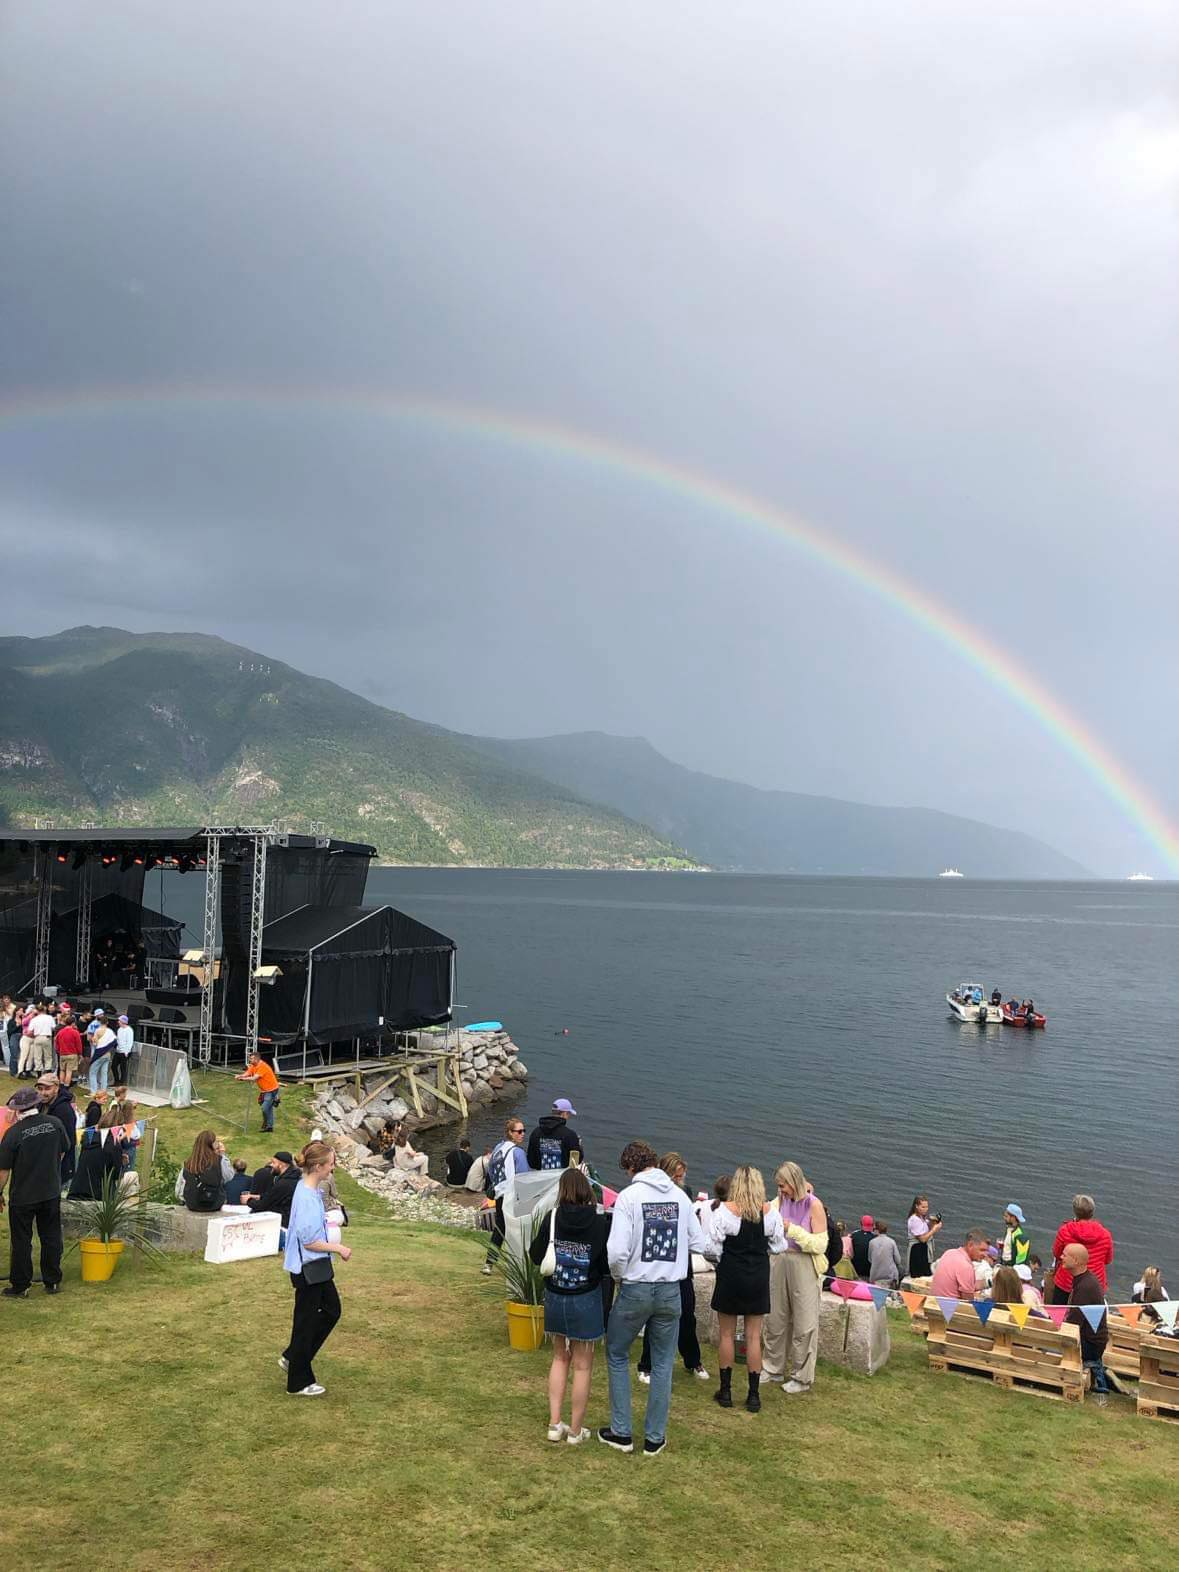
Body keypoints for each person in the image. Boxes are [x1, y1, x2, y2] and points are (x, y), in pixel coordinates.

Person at [599, 1140, 709, 1455]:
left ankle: (621, 1431)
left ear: (631, 1168)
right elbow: (697, 1241)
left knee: (617, 1353)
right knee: (663, 1362)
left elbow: (617, 1250)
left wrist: (619, 1274)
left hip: (635, 1285)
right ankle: (654, 1438)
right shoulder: (680, 1197)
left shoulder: (629, 1198)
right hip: (670, 1289)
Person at [529, 1166, 611, 1444]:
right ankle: (576, 1431)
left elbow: (535, 1255)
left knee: (558, 1358)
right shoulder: (600, 1223)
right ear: (587, 1191)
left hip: (555, 1296)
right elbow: (605, 1264)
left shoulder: (553, 1217)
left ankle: (555, 1424)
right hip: (585, 1297)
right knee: (583, 1366)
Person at [707, 1164, 786, 1413]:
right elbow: (779, 1245)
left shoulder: (724, 1212)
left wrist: (722, 1260)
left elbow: (711, 1248)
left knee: (727, 1335)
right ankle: (753, 1396)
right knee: (753, 1337)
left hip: (731, 1273)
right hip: (758, 1275)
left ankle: (726, 1391)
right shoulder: (770, 1213)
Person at [281, 1140, 352, 1396]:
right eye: (330, 1165)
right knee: (307, 1321)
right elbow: (309, 1241)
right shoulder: (308, 1196)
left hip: (313, 1267)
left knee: (330, 1311)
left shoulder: (308, 1190)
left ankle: (293, 1356)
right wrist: (339, 1249)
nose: (333, 1169)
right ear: (318, 1167)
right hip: (308, 1268)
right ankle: (298, 1380)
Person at [637, 1153, 709, 1386]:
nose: (680, 1179)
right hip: (660, 1260)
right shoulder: (652, 1195)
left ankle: (693, 1360)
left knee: (687, 1312)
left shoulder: (685, 1193)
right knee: (654, 1314)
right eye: (676, 1175)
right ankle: (646, 1365)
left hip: (682, 1261)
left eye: (682, 1175)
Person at [763, 1161, 828, 1395]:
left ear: (793, 1182)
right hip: (779, 1258)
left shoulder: (814, 1205)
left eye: (783, 1186)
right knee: (775, 1317)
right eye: (779, 1186)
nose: (781, 1190)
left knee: (804, 1321)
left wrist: (794, 1231)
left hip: (804, 1262)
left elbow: (821, 1244)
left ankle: (801, 1376)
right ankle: (772, 1367)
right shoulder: (778, 1201)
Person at [0, 1085, 70, 1296]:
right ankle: (52, 1281)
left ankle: (21, 1286)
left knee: (21, 1240)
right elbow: (63, 1152)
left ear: (18, 1109)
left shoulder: (13, 1134)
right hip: (50, 1191)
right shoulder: (55, 1124)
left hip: (23, 1195)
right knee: (51, 1237)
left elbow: (3, 1171)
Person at [1060, 1242, 1119, 1398]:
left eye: (1065, 1255)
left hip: (1090, 1345)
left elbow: (1073, 1325)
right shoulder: (1084, 1280)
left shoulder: (1085, 1286)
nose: (1061, 1257)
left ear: (1076, 1261)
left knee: (1046, 1346)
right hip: (1092, 1341)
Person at [481, 1116, 530, 1275]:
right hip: (513, 1197)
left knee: (500, 1229)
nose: (522, 1134)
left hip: (500, 1195)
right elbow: (524, 1178)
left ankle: (489, 1263)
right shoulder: (518, 1153)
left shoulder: (498, 1147)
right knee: (518, 1231)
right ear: (510, 1132)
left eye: (523, 1131)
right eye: (519, 1131)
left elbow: (490, 1169)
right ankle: (518, 1268)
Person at [1050, 1194, 1114, 1303]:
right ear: (1092, 1212)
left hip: (1066, 1281)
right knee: (1091, 1318)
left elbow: (1057, 1254)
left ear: (1075, 1211)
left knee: (1058, 1316)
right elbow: (1108, 1260)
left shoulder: (1065, 1231)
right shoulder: (1105, 1235)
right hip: (1095, 1283)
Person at [929, 1228, 991, 1300]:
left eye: (987, 1251)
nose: (985, 1255)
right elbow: (968, 1301)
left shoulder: (949, 1252)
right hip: (950, 1309)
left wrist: (989, 1282)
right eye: (982, 1250)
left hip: (935, 1302)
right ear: (970, 1245)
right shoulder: (966, 1266)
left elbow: (970, 1285)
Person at [527, 1097, 585, 1171]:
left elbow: (531, 1162)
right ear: (564, 1113)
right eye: (568, 1114)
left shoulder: (536, 1132)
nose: (568, 1117)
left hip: (541, 1179)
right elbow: (576, 1161)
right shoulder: (569, 1135)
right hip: (561, 1179)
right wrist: (579, 1146)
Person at [40, 1075, 77, 1188]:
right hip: (42, 1164)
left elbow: (67, 1143)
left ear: (56, 1088)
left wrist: (52, 1167)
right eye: (40, 1089)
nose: (43, 1093)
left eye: (47, 1088)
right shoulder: (40, 1104)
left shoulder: (64, 1110)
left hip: (59, 1169)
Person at [247, 1152, 302, 1224]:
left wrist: (248, 1200)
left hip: (283, 1223)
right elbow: (273, 1196)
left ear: (281, 1165)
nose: (271, 1165)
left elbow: (264, 1205)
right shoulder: (292, 1179)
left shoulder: (284, 1183)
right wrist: (259, 1196)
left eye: (273, 1163)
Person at [182, 1130, 228, 1212]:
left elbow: (181, 1185)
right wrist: (223, 1154)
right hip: (214, 1202)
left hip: (192, 1203)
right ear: (212, 1144)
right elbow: (229, 1176)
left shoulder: (189, 1162)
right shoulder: (218, 1160)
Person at [235, 1050, 281, 1133]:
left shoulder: (262, 1066)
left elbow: (254, 1078)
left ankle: (268, 1124)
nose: (250, 1060)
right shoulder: (253, 1065)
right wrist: (240, 1075)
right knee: (267, 1108)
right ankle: (269, 1126)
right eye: (250, 1058)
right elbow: (248, 1073)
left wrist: (242, 1079)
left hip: (272, 1090)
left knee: (265, 1108)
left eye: (251, 1059)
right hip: (265, 1090)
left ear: (256, 1059)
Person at [906, 1196, 942, 1278]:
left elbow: (925, 1228)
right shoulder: (914, 1219)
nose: (925, 1209)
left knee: (926, 1272)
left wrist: (933, 1223)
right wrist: (934, 1230)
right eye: (923, 1207)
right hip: (917, 1249)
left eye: (927, 1207)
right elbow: (922, 1239)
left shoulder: (922, 1217)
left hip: (922, 1249)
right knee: (919, 1274)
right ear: (916, 1206)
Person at [88, 1015, 117, 1094]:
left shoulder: (97, 1031)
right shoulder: (110, 1031)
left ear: (100, 1022)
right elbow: (114, 1041)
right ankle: (103, 1090)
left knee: (92, 1072)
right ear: (107, 1022)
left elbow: (95, 1043)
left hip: (99, 1053)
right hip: (107, 1054)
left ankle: (93, 1091)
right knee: (104, 1073)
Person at [869, 1220, 902, 1287]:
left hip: (875, 1276)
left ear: (877, 1230)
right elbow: (898, 1260)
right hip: (889, 1276)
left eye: (874, 1229)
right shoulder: (892, 1242)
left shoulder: (871, 1242)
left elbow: (870, 1259)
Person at [54, 1010, 83, 1087]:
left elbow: (56, 1042)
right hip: (72, 1054)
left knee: (62, 1070)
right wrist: (80, 1054)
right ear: (73, 1023)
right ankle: (66, 1086)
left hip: (62, 1054)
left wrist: (58, 1051)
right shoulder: (75, 1032)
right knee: (69, 1071)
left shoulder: (60, 1032)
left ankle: (61, 1084)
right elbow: (78, 1044)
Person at [26, 1002, 55, 1078]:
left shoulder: (34, 1019)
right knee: (48, 1056)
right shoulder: (50, 1018)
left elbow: (29, 1031)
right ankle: (48, 1073)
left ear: (37, 1011)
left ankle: (39, 1075)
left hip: (37, 1037)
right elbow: (53, 1028)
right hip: (47, 1037)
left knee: (37, 1057)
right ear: (44, 1010)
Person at [849, 1214, 875, 1280]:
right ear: (872, 1225)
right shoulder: (875, 1238)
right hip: (868, 1271)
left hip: (855, 1269)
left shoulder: (854, 1235)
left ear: (861, 1224)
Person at [112, 1015, 135, 1085]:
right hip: (118, 1050)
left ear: (123, 1022)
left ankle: (122, 1082)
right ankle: (117, 1081)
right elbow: (118, 1040)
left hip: (125, 1052)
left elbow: (130, 1042)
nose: (118, 1022)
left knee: (123, 1067)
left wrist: (127, 1051)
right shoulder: (119, 1029)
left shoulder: (129, 1030)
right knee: (113, 1066)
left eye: (119, 1021)